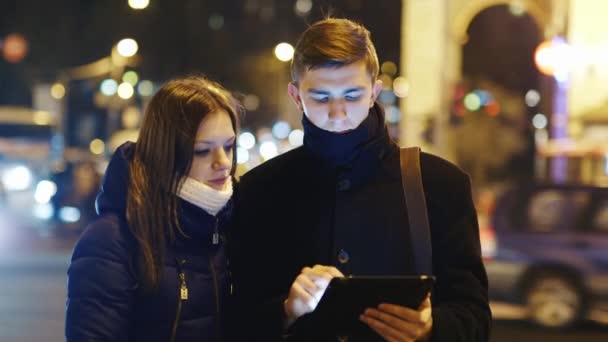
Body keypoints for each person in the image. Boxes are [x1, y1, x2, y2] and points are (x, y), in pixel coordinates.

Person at [230, 18, 491, 341]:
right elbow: (235, 319)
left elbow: (475, 316)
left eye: (352, 96)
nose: (337, 112)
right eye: (321, 97)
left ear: (374, 92)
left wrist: (432, 328)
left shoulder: (441, 185)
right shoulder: (259, 190)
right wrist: (285, 311)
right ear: (296, 97)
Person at [65, 76, 240, 342]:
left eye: (228, 146)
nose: (223, 162)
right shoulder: (112, 240)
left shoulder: (227, 224)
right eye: (202, 151)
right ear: (166, 154)